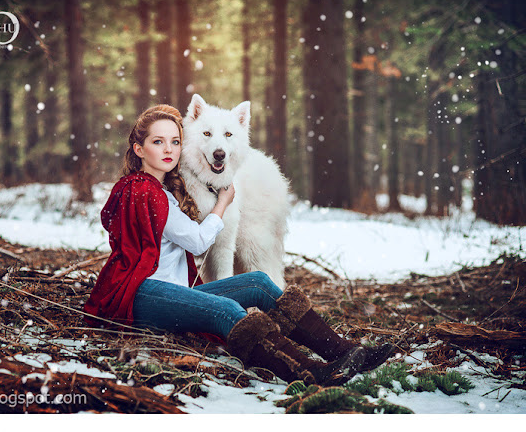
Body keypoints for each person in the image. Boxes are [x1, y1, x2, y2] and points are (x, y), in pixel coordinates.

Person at [83, 104, 393, 386]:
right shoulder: (145, 191)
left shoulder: (158, 189)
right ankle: (309, 372)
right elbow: (198, 239)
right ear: (139, 148)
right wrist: (223, 204)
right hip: (142, 294)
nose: (169, 149)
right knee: (227, 308)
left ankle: (344, 351)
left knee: (258, 282)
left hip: (171, 292)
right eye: (157, 142)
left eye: (175, 142)